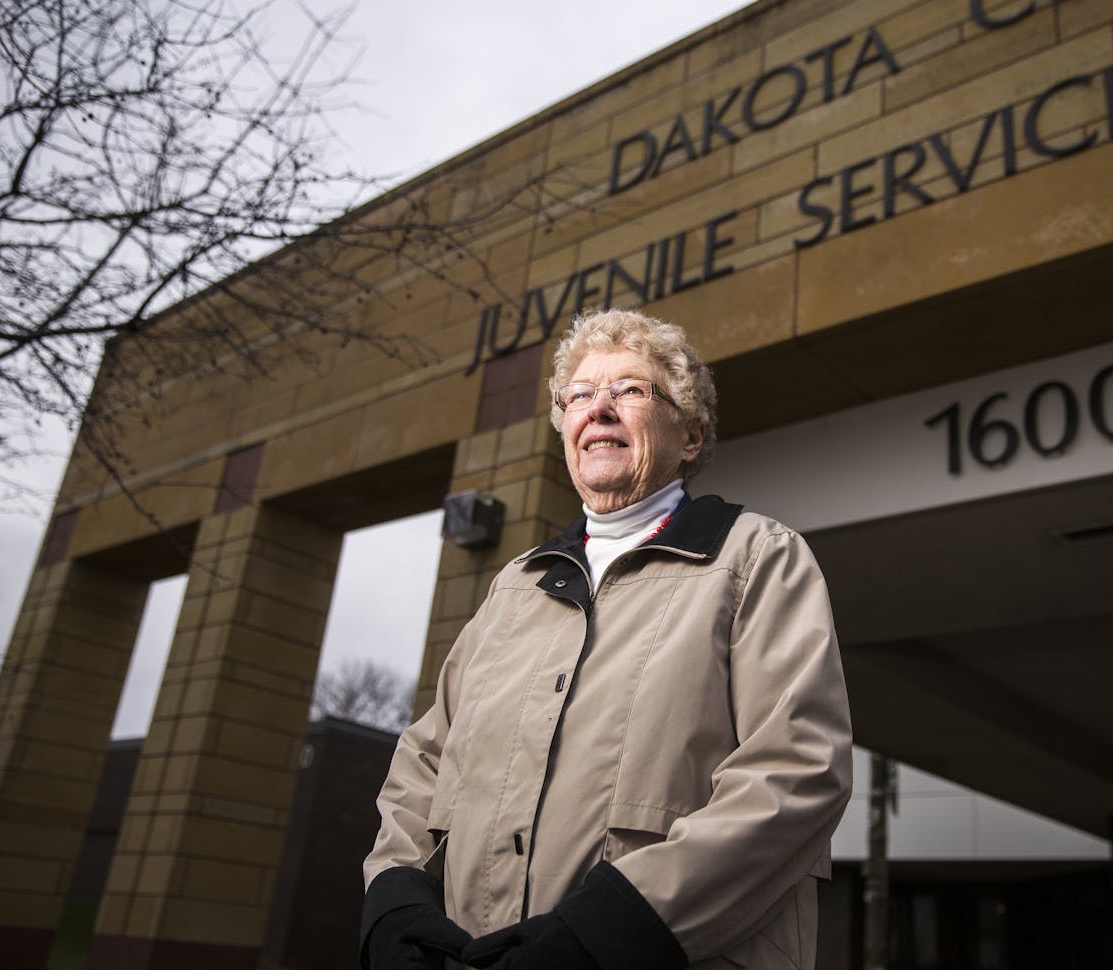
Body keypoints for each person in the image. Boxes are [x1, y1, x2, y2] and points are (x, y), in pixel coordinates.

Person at [359, 308, 853, 970]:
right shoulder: (515, 587)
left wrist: (608, 931)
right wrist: (393, 896)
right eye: (581, 396)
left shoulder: (757, 559)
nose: (600, 408)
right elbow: (425, 759)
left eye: (630, 390)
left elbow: (797, 771)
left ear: (691, 436)